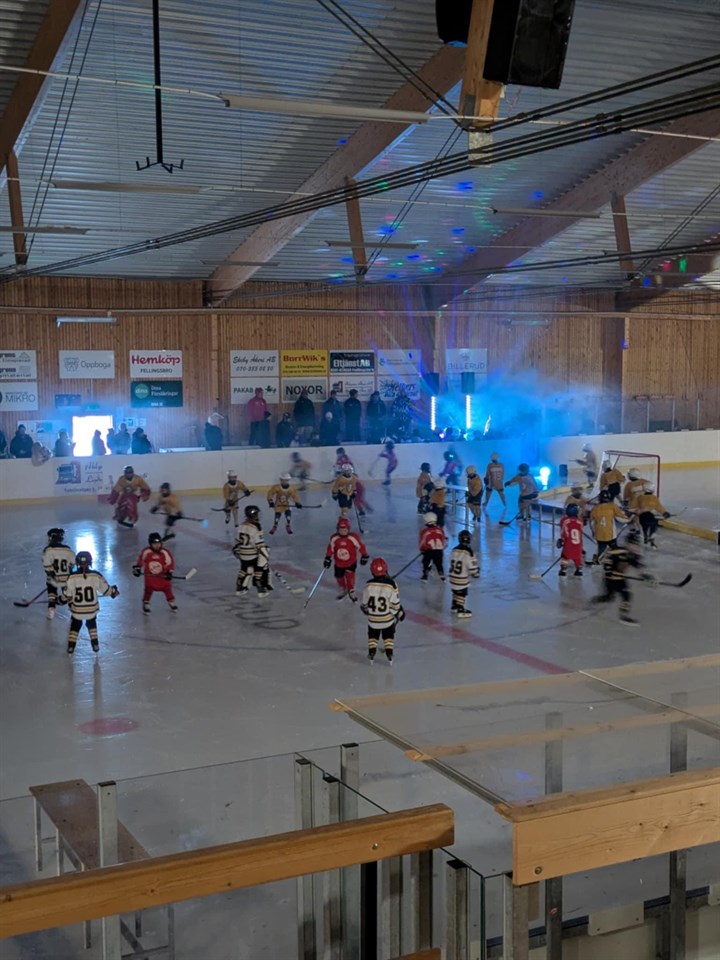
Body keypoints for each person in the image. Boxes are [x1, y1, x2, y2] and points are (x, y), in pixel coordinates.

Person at [58, 551, 119, 655]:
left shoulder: (71, 577)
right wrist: (113, 591)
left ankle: (71, 646)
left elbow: (67, 595)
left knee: (75, 624)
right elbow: (105, 590)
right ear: (90, 562)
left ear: (77, 563)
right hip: (91, 609)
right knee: (91, 623)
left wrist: (60, 599)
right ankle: (95, 644)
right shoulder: (95, 575)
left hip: (77, 610)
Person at [591, 529, 646, 624]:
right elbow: (607, 560)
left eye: (636, 545)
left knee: (626, 595)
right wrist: (608, 571)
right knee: (610, 597)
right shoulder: (617, 551)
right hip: (610, 579)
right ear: (628, 544)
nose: (635, 547)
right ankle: (594, 601)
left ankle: (623, 615)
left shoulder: (633, 556)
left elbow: (638, 567)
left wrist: (645, 576)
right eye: (633, 544)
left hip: (620, 579)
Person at [361, 557, 403, 663]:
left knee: (373, 635)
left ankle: (371, 652)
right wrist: (398, 613)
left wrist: (366, 610)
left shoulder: (368, 585)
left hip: (373, 620)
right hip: (387, 620)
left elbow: (364, 604)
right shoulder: (391, 585)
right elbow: (395, 605)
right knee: (388, 635)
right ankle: (389, 654)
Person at [323, 516, 368, 602]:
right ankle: (343, 588)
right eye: (341, 530)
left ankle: (351, 590)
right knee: (339, 576)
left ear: (348, 529)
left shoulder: (353, 538)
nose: (343, 532)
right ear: (338, 529)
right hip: (339, 563)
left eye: (345, 530)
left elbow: (360, 546)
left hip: (351, 562)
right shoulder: (334, 538)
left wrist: (364, 555)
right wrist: (327, 558)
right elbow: (331, 548)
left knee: (350, 577)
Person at [232, 504, 272, 597]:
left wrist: (237, 550)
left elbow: (237, 540)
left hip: (242, 553)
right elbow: (259, 543)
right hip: (252, 554)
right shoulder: (256, 526)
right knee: (260, 568)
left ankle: (240, 588)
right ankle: (260, 588)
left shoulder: (242, 525)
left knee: (244, 568)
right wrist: (265, 552)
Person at [133, 532, 177, 615]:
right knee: (148, 589)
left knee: (167, 588)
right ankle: (146, 603)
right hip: (150, 576)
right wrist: (137, 568)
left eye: (158, 543)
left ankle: (171, 601)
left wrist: (169, 572)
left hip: (162, 576)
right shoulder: (146, 552)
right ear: (150, 544)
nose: (157, 545)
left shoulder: (165, 552)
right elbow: (141, 560)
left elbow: (170, 563)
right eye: (154, 544)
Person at [42, 528, 76, 620]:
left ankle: (51, 610)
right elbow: (73, 562)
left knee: (52, 592)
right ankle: (73, 611)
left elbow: (46, 565)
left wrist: (51, 574)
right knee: (68, 593)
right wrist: (69, 571)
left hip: (53, 578)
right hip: (66, 577)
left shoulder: (47, 550)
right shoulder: (67, 549)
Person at [590, 489, 629, 563]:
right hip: (610, 535)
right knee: (614, 547)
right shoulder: (612, 506)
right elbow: (621, 518)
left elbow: (592, 523)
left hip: (599, 535)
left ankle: (597, 558)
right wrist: (629, 519)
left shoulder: (594, 509)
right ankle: (615, 559)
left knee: (601, 547)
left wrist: (594, 533)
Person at [448, 529, 479, 618]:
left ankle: (454, 605)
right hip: (461, 579)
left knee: (455, 592)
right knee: (462, 593)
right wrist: (476, 573)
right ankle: (460, 608)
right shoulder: (469, 552)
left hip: (452, 577)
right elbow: (472, 567)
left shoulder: (454, 550)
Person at [633, 482, 671, 548]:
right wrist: (664, 513)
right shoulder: (654, 498)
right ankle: (651, 538)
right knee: (653, 527)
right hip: (652, 516)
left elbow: (636, 507)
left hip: (642, 516)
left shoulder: (640, 497)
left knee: (644, 527)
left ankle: (645, 536)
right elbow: (659, 507)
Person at [558, 504, 584, 577]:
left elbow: (564, 532)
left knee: (564, 556)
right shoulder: (580, 521)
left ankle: (563, 569)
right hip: (578, 544)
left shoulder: (565, 521)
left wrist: (562, 540)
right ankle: (579, 569)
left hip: (568, 544)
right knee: (578, 557)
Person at [419, 512, 447, 582]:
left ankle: (425, 575)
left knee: (426, 562)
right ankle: (441, 574)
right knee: (439, 563)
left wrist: (422, 549)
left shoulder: (425, 532)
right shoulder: (440, 530)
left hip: (429, 551)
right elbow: (443, 539)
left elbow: (422, 542)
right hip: (439, 551)